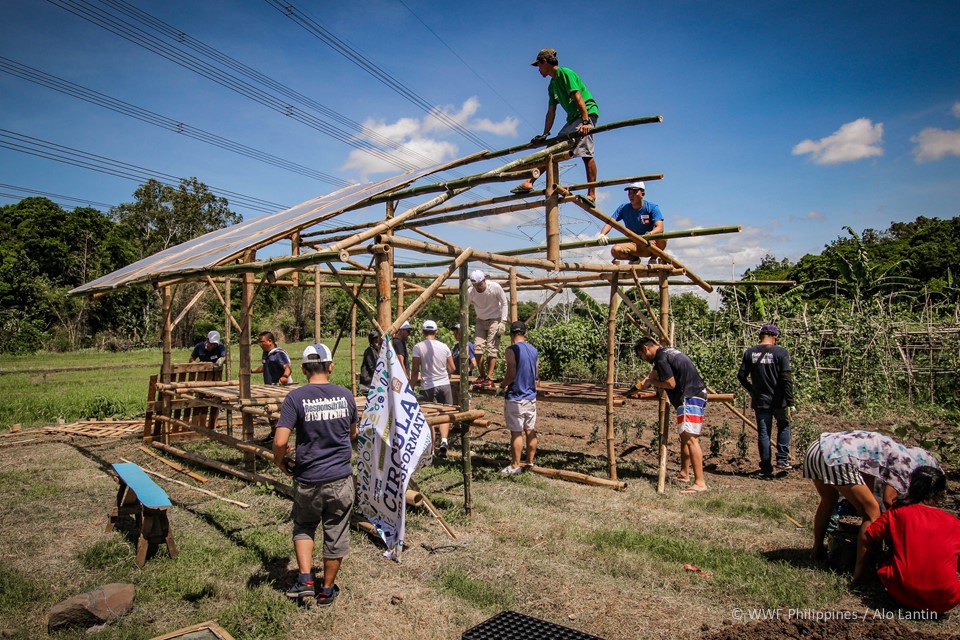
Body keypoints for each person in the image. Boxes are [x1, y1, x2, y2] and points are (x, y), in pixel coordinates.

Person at [273, 343, 358, 606]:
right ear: (331, 367)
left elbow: (279, 442)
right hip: (340, 478)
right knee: (336, 530)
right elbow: (353, 434)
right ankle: (327, 590)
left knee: (304, 525)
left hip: (308, 477)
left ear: (303, 368)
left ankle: (306, 580)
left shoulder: (295, 398)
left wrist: (281, 462)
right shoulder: (345, 395)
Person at [802, 430, 940, 582]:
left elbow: (866, 478)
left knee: (829, 500)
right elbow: (889, 499)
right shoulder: (907, 463)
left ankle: (817, 550)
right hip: (836, 456)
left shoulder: (889, 450)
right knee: (872, 514)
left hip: (818, 448)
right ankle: (859, 576)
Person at [864, 466, 960, 614]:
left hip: (901, 591)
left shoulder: (898, 512)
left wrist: (881, 556)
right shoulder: (954, 523)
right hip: (945, 599)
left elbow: (868, 536)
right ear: (940, 493)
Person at [512, 48, 600, 206]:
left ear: (544, 62)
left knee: (586, 152)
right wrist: (545, 134)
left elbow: (578, 96)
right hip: (573, 118)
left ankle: (592, 194)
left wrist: (586, 122)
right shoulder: (552, 85)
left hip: (586, 112)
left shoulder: (565, 73)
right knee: (552, 148)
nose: (538, 70)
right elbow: (551, 111)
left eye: (538, 65)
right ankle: (529, 182)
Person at [628, 337, 709, 494]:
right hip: (695, 393)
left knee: (691, 439)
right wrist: (629, 392)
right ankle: (684, 473)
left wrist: (655, 384)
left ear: (645, 349)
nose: (643, 359)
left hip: (689, 395)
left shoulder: (661, 358)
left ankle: (700, 483)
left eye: (641, 356)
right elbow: (646, 381)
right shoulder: (666, 353)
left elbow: (670, 384)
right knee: (685, 437)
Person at [737, 323, 795, 479]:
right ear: (774, 337)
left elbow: (741, 376)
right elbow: (786, 379)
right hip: (779, 400)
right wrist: (791, 402)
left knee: (764, 433)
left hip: (760, 400)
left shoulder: (749, 353)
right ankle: (782, 460)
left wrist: (751, 389)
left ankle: (766, 470)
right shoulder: (781, 353)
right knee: (783, 425)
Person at [498, 321, 539, 475]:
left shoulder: (511, 349)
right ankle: (529, 461)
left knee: (516, 432)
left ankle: (515, 465)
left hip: (516, 396)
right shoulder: (534, 350)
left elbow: (511, 372)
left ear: (511, 334)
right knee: (530, 429)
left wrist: (502, 386)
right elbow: (536, 371)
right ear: (525, 334)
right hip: (530, 396)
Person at [411, 320, 457, 457]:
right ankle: (444, 441)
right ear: (436, 332)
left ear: (423, 332)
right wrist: (446, 374)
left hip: (428, 386)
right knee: (445, 414)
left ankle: (431, 448)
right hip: (444, 384)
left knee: (430, 415)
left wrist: (411, 388)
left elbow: (415, 370)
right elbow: (453, 368)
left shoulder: (418, 347)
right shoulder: (444, 346)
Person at [597, 182, 666, 264]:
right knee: (615, 250)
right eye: (629, 192)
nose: (631, 195)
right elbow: (610, 222)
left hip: (650, 245)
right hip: (633, 244)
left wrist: (649, 235)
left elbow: (660, 227)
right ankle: (634, 259)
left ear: (642, 193)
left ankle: (653, 258)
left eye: (634, 192)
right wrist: (602, 234)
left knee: (662, 239)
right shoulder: (624, 208)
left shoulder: (652, 207)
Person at [467, 270, 508, 388]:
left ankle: (489, 377)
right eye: (475, 285)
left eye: (480, 284)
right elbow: (465, 306)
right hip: (480, 320)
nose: (478, 287)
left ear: (484, 280)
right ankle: (482, 375)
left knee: (492, 348)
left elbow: (504, 302)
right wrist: (466, 322)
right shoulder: (471, 292)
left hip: (495, 318)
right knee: (477, 348)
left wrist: (503, 321)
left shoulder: (494, 287)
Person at [252, 331, 293, 443]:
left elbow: (288, 368)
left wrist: (284, 377)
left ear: (270, 341)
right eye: (259, 342)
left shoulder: (279, 354)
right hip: (269, 388)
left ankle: (280, 437)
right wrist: (251, 371)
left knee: (277, 413)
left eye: (262, 342)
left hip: (280, 389)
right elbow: (265, 367)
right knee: (270, 412)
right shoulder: (266, 353)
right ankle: (274, 434)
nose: (260, 344)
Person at [358, 330, 381, 396]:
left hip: (373, 383)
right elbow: (372, 368)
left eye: (378, 342)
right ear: (371, 343)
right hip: (368, 383)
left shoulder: (377, 351)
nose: (377, 344)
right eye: (376, 342)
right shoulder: (369, 351)